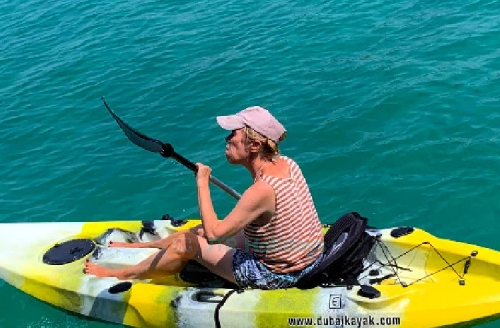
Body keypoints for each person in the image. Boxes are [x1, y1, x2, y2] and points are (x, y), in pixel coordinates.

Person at [84, 106, 325, 290]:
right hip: (309, 259)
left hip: (278, 274)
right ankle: (144, 246)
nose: (227, 139)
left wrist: (202, 183)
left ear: (253, 145)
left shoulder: (261, 190)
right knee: (198, 231)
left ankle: (122, 274)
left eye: (233, 134)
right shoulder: (288, 164)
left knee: (188, 243)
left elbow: (215, 234)